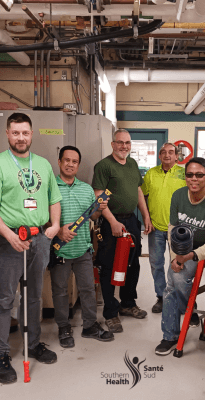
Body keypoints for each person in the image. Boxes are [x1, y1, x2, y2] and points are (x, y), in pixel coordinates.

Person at [0, 113, 62, 384]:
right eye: (15, 133)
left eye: (25, 133)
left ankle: (33, 343)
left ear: (31, 133)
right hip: (9, 239)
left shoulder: (43, 164)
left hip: (39, 238)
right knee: (4, 298)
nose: (21, 138)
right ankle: (0, 355)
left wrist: (55, 226)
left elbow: (54, 198)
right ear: (7, 133)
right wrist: (8, 235)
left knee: (35, 295)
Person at [154, 157, 205, 355]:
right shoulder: (178, 196)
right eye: (189, 175)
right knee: (174, 281)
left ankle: (189, 310)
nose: (193, 179)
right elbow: (172, 228)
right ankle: (170, 335)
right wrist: (174, 257)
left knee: (176, 280)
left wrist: (191, 256)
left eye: (199, 175)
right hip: (181, 246)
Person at [49, 145, 114, 348]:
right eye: (66, 160)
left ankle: (90, 326)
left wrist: (98, 209)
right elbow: (42, 217)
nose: (70, 164)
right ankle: (63, 327)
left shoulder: (86, 188)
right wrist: (58, 230)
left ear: (78, 165)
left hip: (83, 249)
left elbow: (92, 217)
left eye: (74, 161)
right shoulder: (50, 188)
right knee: (60, 291)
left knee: (87, 289)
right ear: (59, 162)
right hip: (59, 250)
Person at [92, 128, 154, 333]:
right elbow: (99, 197)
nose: (124, 146)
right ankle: (111, 312)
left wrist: (145, 215)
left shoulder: (133, 164)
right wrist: (112, 222)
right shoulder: (103, 166)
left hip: (131, 221)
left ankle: (128, 303)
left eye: (127, 143)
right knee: (110, 266)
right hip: (112, 223)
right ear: (112, 144)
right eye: (120, 142)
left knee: (132, 264)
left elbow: (137, 190)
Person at [141, 142, 186, 313]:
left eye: (171, 152)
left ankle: (177, 296)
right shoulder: (151, 173)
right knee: (156, 263)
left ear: (176, 156)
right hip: (156, 227)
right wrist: (147, 218)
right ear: (159, 156)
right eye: (164, 152)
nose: (167, 155)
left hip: (178, 228)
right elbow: (143, 196)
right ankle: (161, 296)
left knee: (178, 263)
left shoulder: (183, 173)